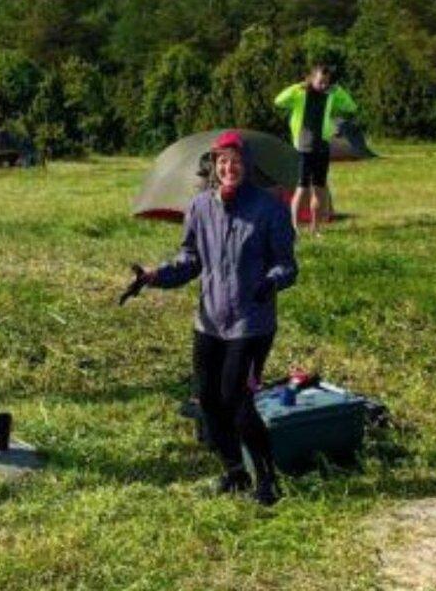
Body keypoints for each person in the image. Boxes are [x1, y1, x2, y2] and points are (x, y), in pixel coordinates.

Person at [138, 131, 299, 507]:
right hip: (209, 321)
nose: (229, 168)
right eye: (222, 161)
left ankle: (267, 480)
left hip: (251, 322)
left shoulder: (269, 209)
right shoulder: (199, 207)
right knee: (209, 400)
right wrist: (154, 275)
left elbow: (287, 265)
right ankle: (234, 472)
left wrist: (270, 281)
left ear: (248, 166)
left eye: (236, 161)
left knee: (237, 402)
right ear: (214, 165)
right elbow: (190, 261)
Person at [274, 64, 358, 236]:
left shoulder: (330, 96)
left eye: (327, 82)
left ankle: (315, 227)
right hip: (304, 147)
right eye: (320, 82)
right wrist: (297, 86)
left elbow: (351, 107)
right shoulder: (300, 94)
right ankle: (295, 227)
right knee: (302, 188)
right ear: (311, 79)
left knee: (319, 188)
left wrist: (339, 90)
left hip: (322, 147)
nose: (323, 85)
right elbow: (279, 101)